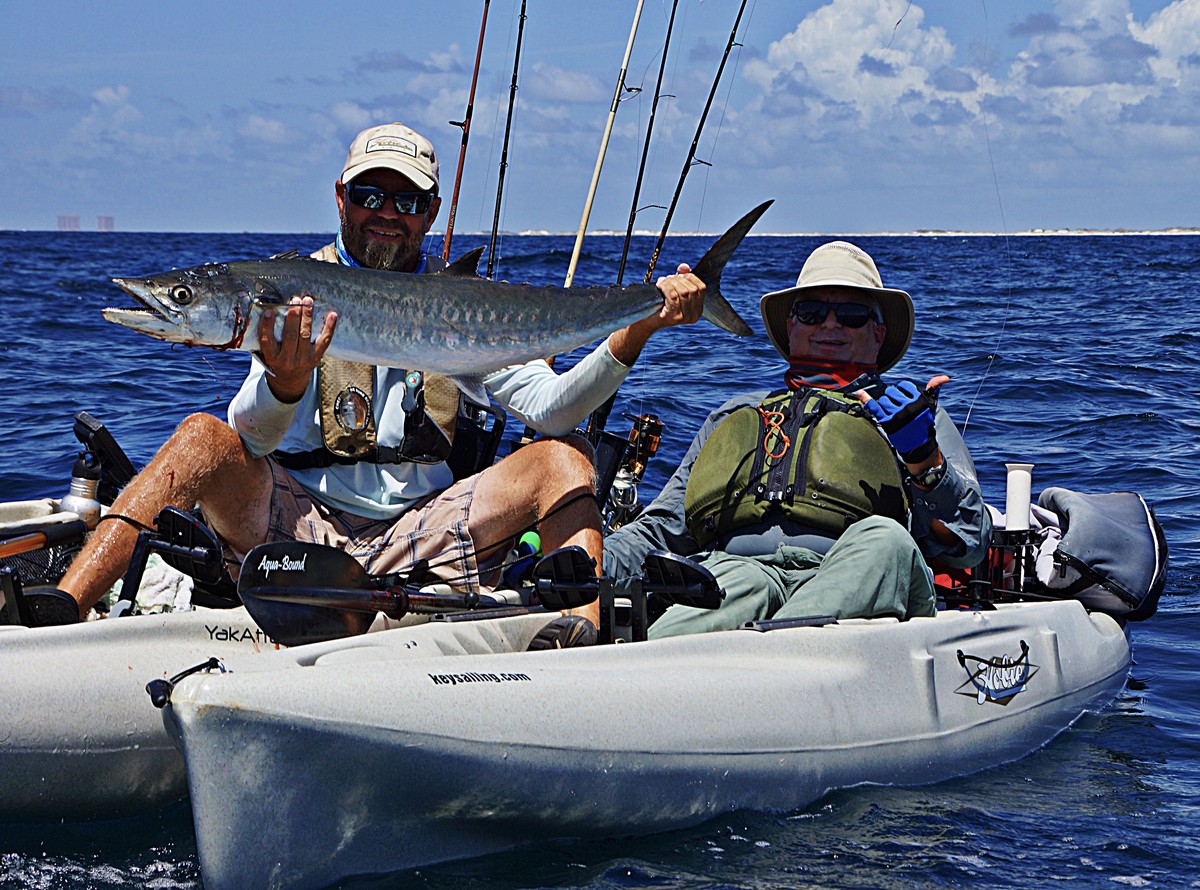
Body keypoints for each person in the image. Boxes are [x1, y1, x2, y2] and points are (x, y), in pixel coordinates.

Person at [53, 122, 709, 633]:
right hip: (293, 528)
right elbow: (249, 435)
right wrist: (283, 383)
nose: (386, 212)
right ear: (341, 198)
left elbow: (554, 409)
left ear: (431, 210)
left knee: (566, 457)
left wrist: (636, 327)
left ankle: (580, 643)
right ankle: (62, 612)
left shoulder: (461, 306)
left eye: (407, 199)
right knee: (199, 437)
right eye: (369, 194)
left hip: (422, 536)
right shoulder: (296, 290)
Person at [604, 240, 991, 635]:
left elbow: (970, 542)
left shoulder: (914, 417)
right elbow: (663, 527)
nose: (829, 324)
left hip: (855, 572)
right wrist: (592, 557)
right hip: (740, 573)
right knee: (708, 602)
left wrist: (924, 459)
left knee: (887, 539)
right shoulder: (735, 414)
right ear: (791, 328)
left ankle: (772, 652)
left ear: (879, 332)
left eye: (852, 314)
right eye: (811, 312)